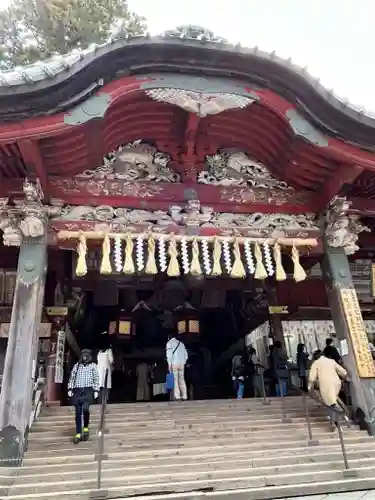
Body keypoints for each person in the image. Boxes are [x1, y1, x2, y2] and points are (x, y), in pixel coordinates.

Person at [308, 350, 348, 426]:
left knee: (329, 403)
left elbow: (311, 378)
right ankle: (339, 417)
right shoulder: (331, 361)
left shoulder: (316, 363)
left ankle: (336, 419)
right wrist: (345, 377)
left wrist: (309, 386)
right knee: (332, 399)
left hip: (325, 384)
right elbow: (343, 371)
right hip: (336, 383)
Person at [68, 349, 100, 444]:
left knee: (85, 409)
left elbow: (96, 378)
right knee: (78, 411)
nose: (85, 357)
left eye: (87, 355)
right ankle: (78, 433)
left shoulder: (93, 366)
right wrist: (70, 389)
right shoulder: (77, 366)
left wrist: (96, 390)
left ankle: (85, 428)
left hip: (88, 390)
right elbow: (72, 377)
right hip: (78, 390)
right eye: (83, 355)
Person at [166, 334, 188, 401]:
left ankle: (177, 396)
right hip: (182, 364)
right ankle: (184, 396)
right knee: (182, 379)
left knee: (175, 380)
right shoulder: (181, 343)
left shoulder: (169, 343)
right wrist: (183, 362)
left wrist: (169, 365)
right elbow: (186, 355)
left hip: (174, 364)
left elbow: (169, 355)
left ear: (169, 337)